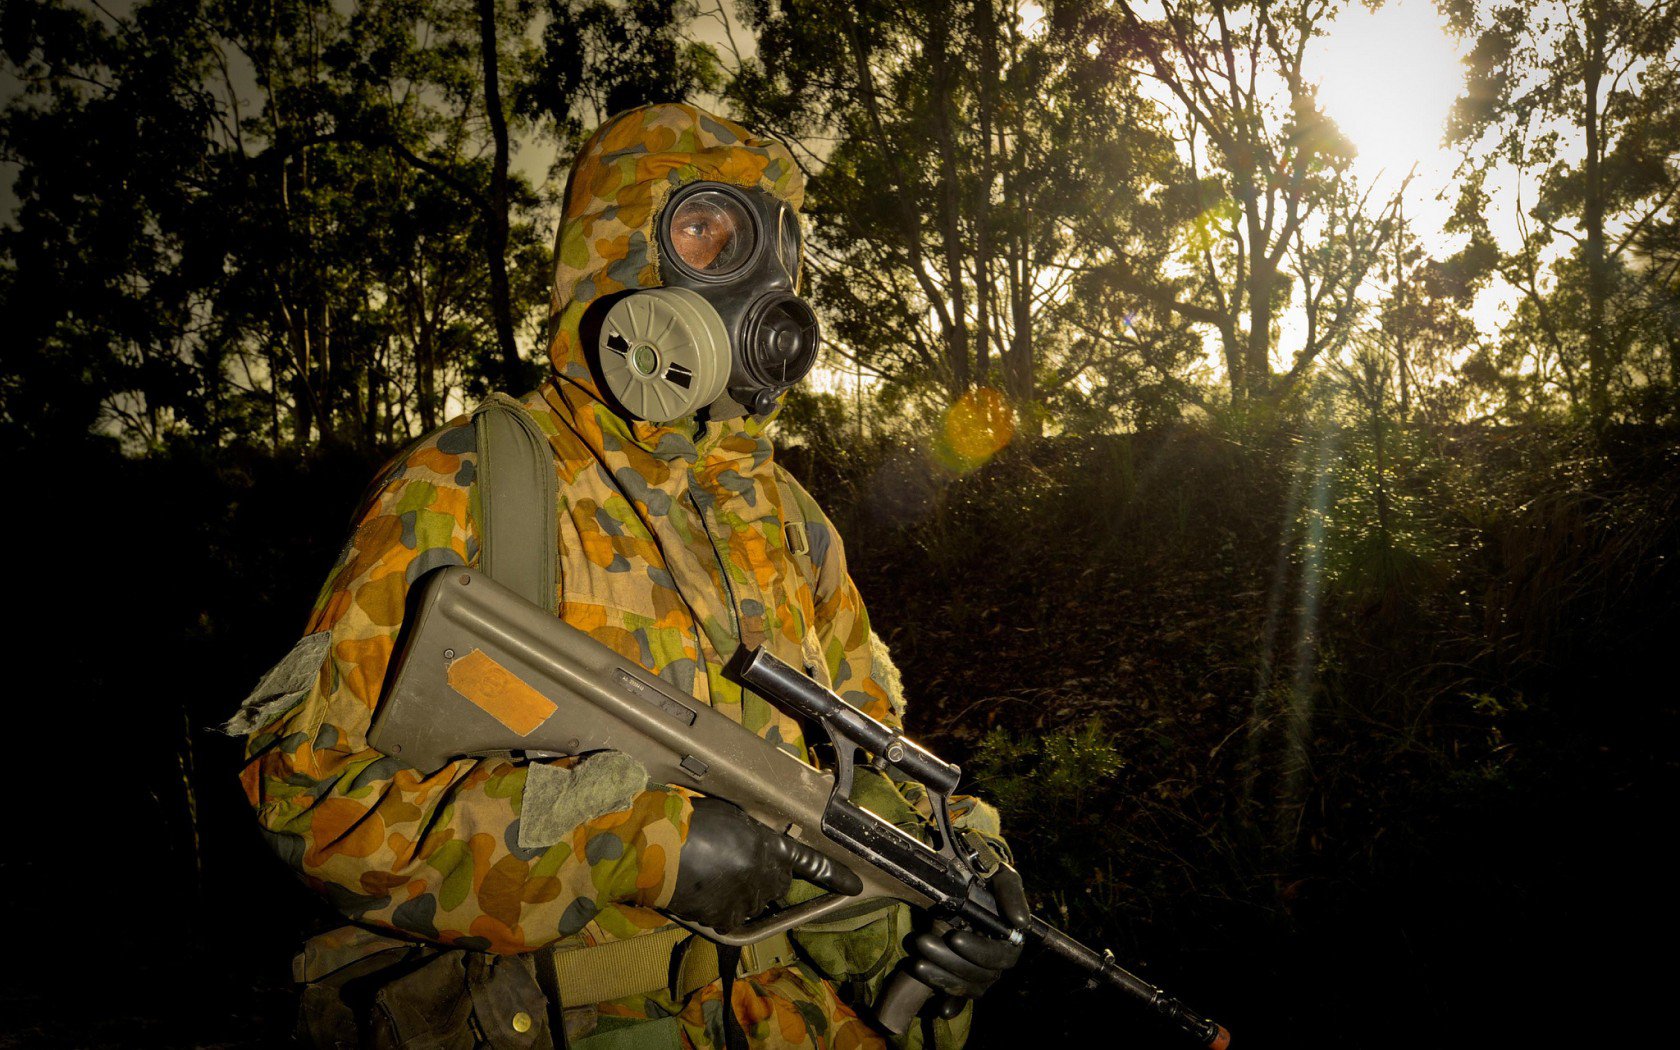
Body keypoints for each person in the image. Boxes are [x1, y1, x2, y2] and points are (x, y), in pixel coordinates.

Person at [229, 103, 1023, 1050]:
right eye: (706, 232)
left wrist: (968, 861)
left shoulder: (790, 518)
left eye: (778, 246)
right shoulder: (470, 484)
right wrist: (640, 849)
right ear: (612, 246)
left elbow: (871, 761)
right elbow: (303, 794)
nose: (760, 280)